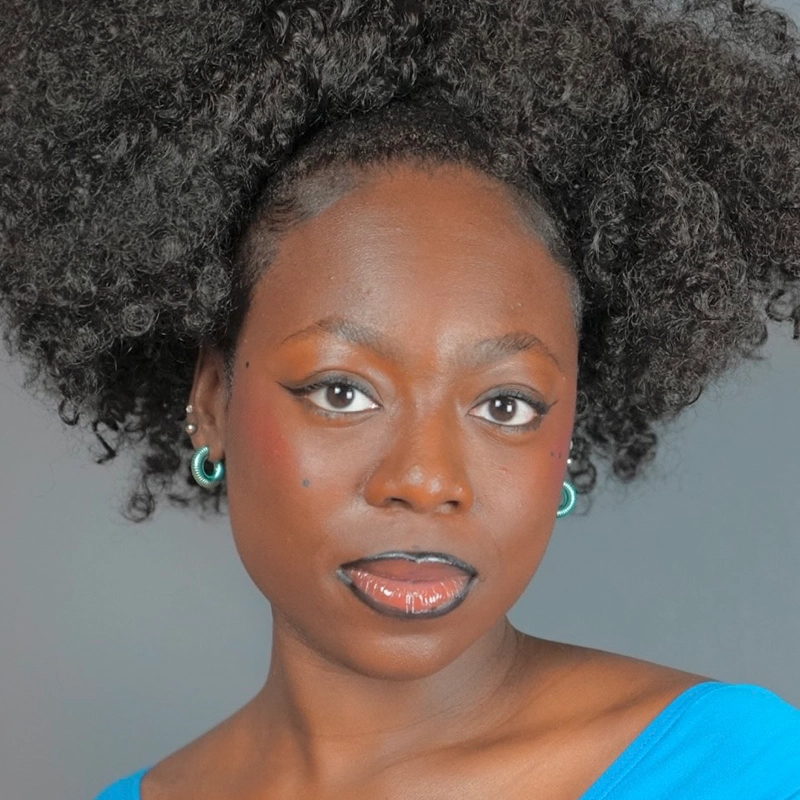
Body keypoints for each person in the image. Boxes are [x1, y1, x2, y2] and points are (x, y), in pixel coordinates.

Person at [2, 0, 800, 797]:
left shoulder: (735, 767)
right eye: (343, 391)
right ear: (212, 400)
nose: (425, 479)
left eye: (507, 406)